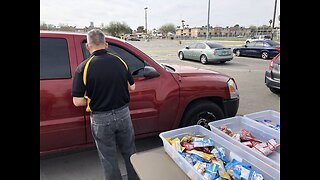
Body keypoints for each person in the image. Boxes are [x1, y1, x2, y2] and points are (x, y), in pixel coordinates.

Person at [71, 29, 139, 180]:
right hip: (123, 114)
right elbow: (132, 87)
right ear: (106, 44)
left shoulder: (83, 67)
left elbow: (77, 101)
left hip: (101, 119)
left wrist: (92, 99)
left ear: (88, 46)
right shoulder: (120, 62)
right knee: (130, 151)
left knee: (108, 158)